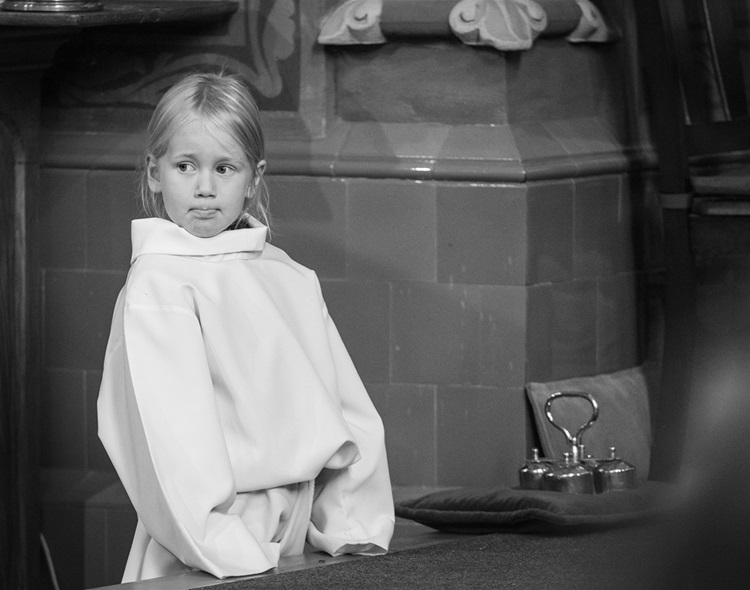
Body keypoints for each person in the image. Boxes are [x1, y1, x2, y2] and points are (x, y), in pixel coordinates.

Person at [97, 71, 394, 582]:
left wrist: (352, 527)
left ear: (254, 177)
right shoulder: (159, 289)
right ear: (154, 172)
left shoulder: (287, 275)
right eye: (185, 166)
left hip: (300, 544)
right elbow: (172, 448)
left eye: (224, 167)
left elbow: (349, 412)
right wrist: (233, 555)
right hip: (210, 556)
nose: (205, 188)